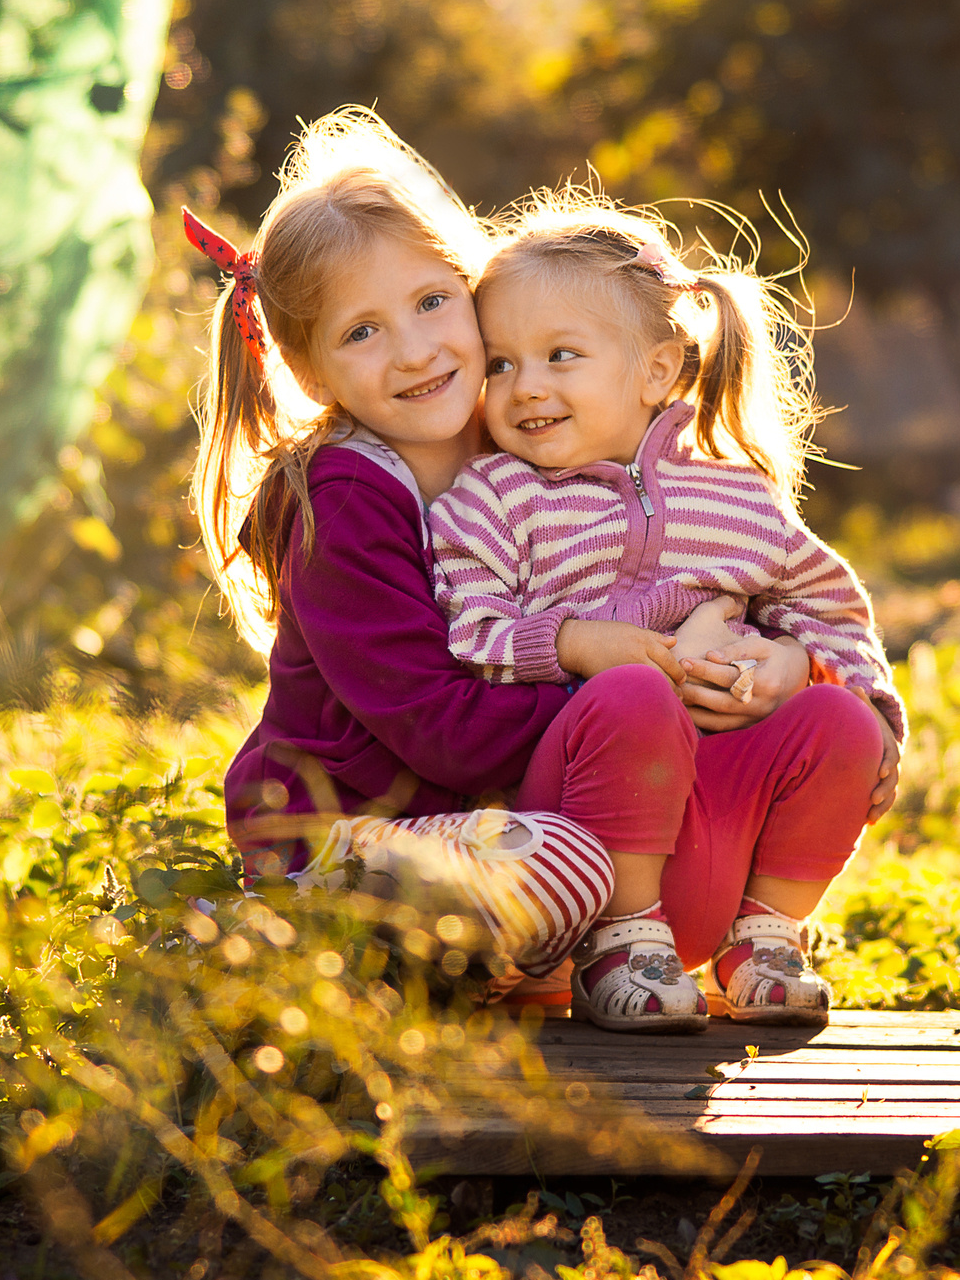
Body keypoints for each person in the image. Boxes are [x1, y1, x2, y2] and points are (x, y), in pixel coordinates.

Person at [187, 109, 830, 992]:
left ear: (473, 291)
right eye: (360, 331)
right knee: (569, 863)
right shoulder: (339, 500)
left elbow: (652, 582)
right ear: (307, 371)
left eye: (430, 301)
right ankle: (293, 938)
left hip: (484, 818)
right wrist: (621, 690)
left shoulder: (525, 447)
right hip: (344, 833)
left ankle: (639, 944)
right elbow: (440, 730)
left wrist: (756, 649)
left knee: (650, 836)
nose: (415, 350)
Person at [427, 195, 902, 1033]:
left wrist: (806, 669)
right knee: (635, 691)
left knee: (842, 720)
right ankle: (620, 943)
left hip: (716, 821)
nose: (525, 386)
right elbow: (468, 632)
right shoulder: (490, 498)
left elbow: (828, 606)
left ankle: (765, 935)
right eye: (500, 364)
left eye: (559, 355)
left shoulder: (737, 494)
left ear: (656, 372)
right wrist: (579, 644)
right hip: (582, 839)